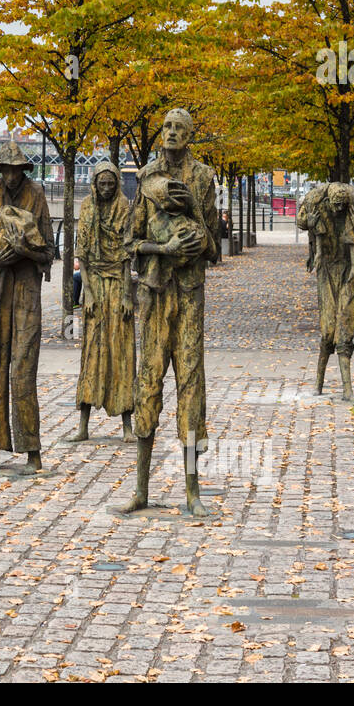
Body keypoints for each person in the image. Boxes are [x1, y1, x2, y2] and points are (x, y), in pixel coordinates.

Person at [123, 108, 220, 517]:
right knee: (148, 381)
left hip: (191, 293)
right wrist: (163, 250)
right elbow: (131, 242)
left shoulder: (204, 177)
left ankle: (192, 492)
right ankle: (141, 489)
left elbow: (214, 245)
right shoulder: (145, 178)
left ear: (190, 135)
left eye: (180, 129)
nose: (172, 133)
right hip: (154, 293)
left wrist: (194, 221)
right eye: (166, 127)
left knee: (191, 385)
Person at [0, 140, 54, 474]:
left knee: (23, 368)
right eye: (6, 170)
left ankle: (31, 448)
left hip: (26, 290)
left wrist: (26, 251)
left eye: (16, 170)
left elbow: (49, 251)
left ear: (23, 170)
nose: (10, 176)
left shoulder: (36, 195)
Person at [67, 162, 135, 443]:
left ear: (116, 183)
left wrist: (128, 296)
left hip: (118, 285)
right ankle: (83, 425)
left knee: (122, 354)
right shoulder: (87, 207)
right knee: (92, 354)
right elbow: (82, 255)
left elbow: (127, 256)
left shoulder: (124, 208)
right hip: (94, 284)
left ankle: (127, 426)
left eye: (110, 184)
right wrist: (89, 294)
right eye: (101, 184)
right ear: (95, 183)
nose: (106, 189)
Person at [297, 182, 354, 401]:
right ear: (329, 202)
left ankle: (347, 389)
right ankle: (318, 382)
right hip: (327, 269)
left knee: (346, 326)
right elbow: (301, 221)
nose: (338, 210)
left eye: (342, 207)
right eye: (336, 206)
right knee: (328, 329)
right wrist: (309, 223)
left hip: (347, 271)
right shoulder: (316, 203)